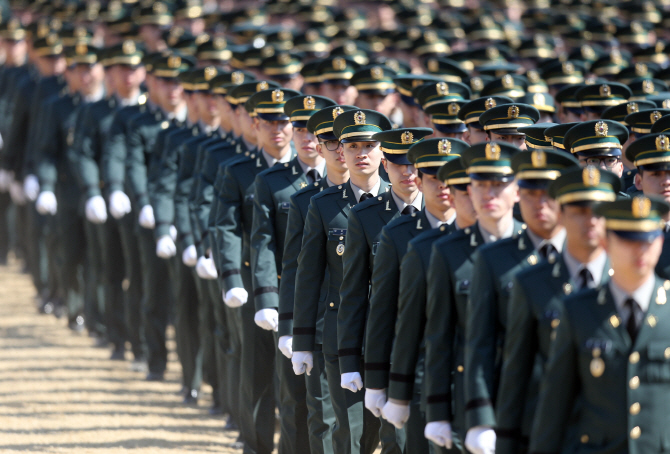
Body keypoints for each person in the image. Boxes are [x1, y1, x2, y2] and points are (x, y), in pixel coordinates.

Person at [530, 195, 670, 454]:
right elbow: (555, 405)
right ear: (606, 243)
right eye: (628, 240)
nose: (639, 250)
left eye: (648, 241)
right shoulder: (578, 310)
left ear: (660, 242)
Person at [496, 166, 620, 454]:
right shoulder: (531, 283)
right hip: (548, 434)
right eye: (578, 210)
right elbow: (516, 372)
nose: (590, 220)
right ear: (562, 214)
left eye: (598, 211)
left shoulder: (626, 281)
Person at [292, 109, 392, 454]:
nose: (360, 154)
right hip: (337, 332)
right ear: (341, 152)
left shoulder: (402, 208)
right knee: (344, 429)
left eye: (369, 145)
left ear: (382, 152)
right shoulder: (323, 206)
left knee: (383, 433)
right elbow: (307, 276)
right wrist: (302, 338)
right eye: (351, 146)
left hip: (387, 334)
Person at [423, 142, 524, 450]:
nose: (488, 194)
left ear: (516, 190)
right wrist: (437, 411)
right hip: (470, 394)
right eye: (479, 185)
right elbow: (438, 335)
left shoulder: (538, 248)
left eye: (499, 184)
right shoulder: (448, 251)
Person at [250, 94, 335, 453]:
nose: (305, 136)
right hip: (293, 303)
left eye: (313, 129)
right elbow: (265, 244)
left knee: (329, 410)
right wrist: (269, 300)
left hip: (334, 306)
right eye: (299, 128)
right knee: (293, 398)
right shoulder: (274, 182)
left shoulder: (341, 185)